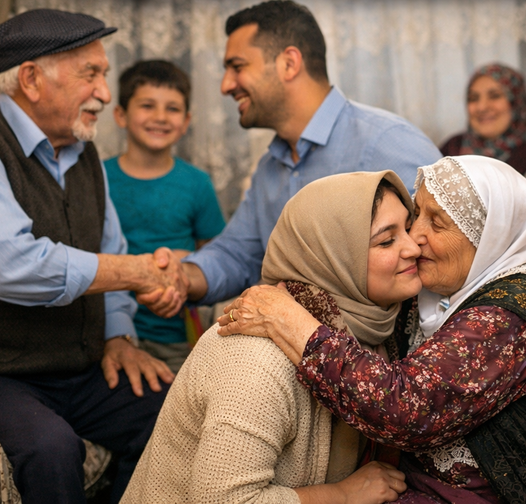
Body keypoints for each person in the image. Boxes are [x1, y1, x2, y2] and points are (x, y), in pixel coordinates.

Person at [219, 156, 526, 503]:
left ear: (488, 239)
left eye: (437, 224)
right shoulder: (457, 284)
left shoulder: (510, 312)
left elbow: (408, 408)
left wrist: (291, 322)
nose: (415, 239)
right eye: (419, 214)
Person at [122, 171, 416, 503]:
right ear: (334, 258)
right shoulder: (256, 359)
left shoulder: (374, 330)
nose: (413, 247)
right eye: (386, 240)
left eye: (409, 228)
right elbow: (223, 500)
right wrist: (343, 495)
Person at [0, 9, 187, 504]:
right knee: (51, 448)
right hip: (7, 374)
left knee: (174, 412)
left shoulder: (84, 156)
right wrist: (141, 272)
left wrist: (119, 337)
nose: (105, 94)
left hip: (80, 368)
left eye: (103, 76)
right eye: (91, 75)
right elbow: (12, 262)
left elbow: (111, 249)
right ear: (32, 79)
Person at [155, 0, 441, 314]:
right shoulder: (270, 167)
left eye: (237, 67)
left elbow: (444, 255)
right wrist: (180, 276)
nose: (226, 86)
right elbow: (238, 254)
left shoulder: (387, 142)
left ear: (289, 63)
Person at [106, 60, 226, 372]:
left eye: (172, 109)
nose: (160, 117)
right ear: (120, 114)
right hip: (106, 334)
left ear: (186, 121)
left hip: (177, 337)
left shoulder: (196, 183)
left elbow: (218, 254)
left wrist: (188, 260)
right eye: (147, 105)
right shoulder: (98, 178)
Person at [438, 63, 526, 175]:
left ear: (517, 101)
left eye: (495, 96)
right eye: (473, 98)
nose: (482, 107)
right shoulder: (453, 148)